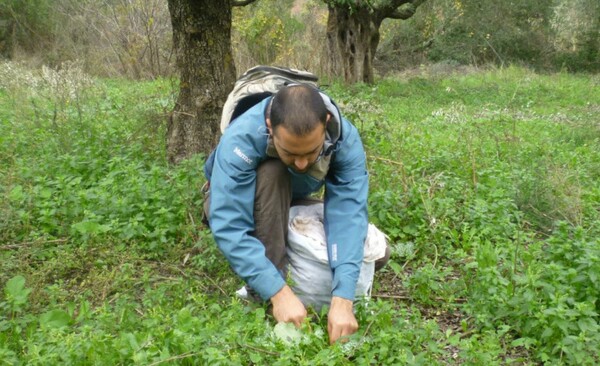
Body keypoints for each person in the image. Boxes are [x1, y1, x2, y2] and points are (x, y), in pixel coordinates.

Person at [203, 84, 374, 344]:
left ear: (326, 122)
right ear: (270, 126)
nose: (303, 163)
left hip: (291, 196)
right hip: (236, 198)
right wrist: (278, 292)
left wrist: (343, 298)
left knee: (373, 254)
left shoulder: (344, 138)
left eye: (311, 152)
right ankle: (265, 291)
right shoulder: (242, 138)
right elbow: (230, 225)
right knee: (274, 171)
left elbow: (348, 212)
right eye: (291, 153)